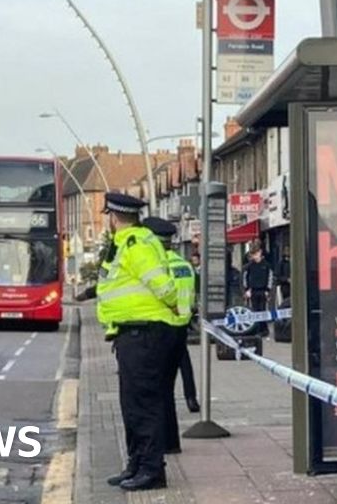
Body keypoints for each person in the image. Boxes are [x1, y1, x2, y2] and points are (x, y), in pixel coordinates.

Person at [95, 193, 179, 492]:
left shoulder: (136, 245)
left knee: (144, 405)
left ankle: (152, 471)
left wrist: (170, 302)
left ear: (113, 217)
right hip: (130, 333)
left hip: (144, 333)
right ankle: (136, 463)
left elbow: (164, 286)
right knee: (132, 405)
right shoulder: (125, 244)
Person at [143, 217, 200, 454]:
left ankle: (163, 443)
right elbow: (192, 298)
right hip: (181, 331)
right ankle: (172, 441)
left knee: (156, 390)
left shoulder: (156, 266)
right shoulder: (185, 265)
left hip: (160, 331)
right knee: (168, 386)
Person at [243, 247, 273, 313]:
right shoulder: (249, 266)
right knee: (254, 309)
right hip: (253, 291)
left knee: (263, 309)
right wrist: (247, 289)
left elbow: (270, 278)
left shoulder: (267, 265)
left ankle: (262, 323)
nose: (255, 256)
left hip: (263, 290)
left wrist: (268, 290)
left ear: (260, 252)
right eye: (253, 254)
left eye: (256, 254)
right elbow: (245, 278)